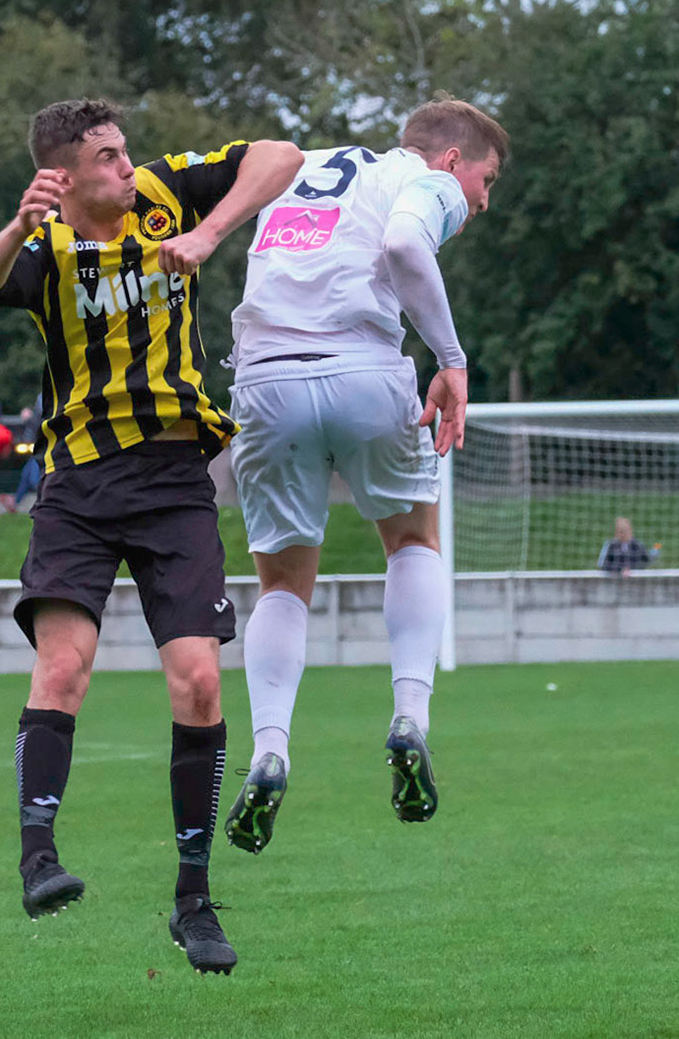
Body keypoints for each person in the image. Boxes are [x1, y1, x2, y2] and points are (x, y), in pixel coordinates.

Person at [0, 95, 301, 972]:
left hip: (174, 482)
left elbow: (282, 152)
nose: (125, 163)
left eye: (122, 151)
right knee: (63, 665)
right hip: (76, 483)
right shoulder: (43, 248)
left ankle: (194, 898)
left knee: (197, 683)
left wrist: (212, 230)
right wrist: (16, 221)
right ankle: (38, 856)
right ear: (64, 175)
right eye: (106, 156)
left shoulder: (165, 193)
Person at [219, 98, 508, 859]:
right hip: (362, 365)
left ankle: (269, 751)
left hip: (265, 379)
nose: (484, 199)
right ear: (453, 160)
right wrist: (452, 360)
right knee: (413, 536)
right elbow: (408, 245)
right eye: (488, 179)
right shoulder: (420, 178)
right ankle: (410, 714)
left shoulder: (302, 168)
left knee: (282, 583)